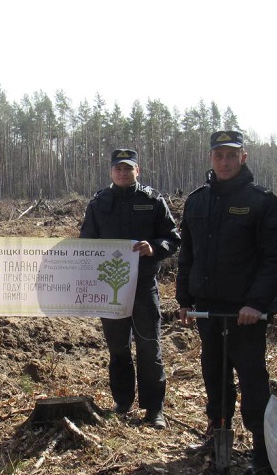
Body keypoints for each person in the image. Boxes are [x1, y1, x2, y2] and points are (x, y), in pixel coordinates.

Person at [176, 131, 277, 475]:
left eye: (231, 155)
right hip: (208, 309)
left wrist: (256, 303)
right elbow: (188, 255)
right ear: (211, 158)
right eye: (218, 156)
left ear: (243, 157)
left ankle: (262, 450)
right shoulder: (197, 201)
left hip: (245, 313)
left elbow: (276, 259)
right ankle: (218, 436)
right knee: (214, 374)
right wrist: (184, 299)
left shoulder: (262, 202)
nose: (224, 162)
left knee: (252, 378)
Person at [80, 148, 181, 429]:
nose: (123, 173)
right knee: (118, 348)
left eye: (128, 168)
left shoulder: (152, 201)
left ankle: (154, 408)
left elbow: (173, 238)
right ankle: (122, 401)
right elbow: (85, 241)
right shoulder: (99, 203)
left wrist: (155, 247)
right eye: (118, 168)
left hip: (143, 287)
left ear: (138, 170)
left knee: (149, 346)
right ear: (111, 172)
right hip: (109, 288)